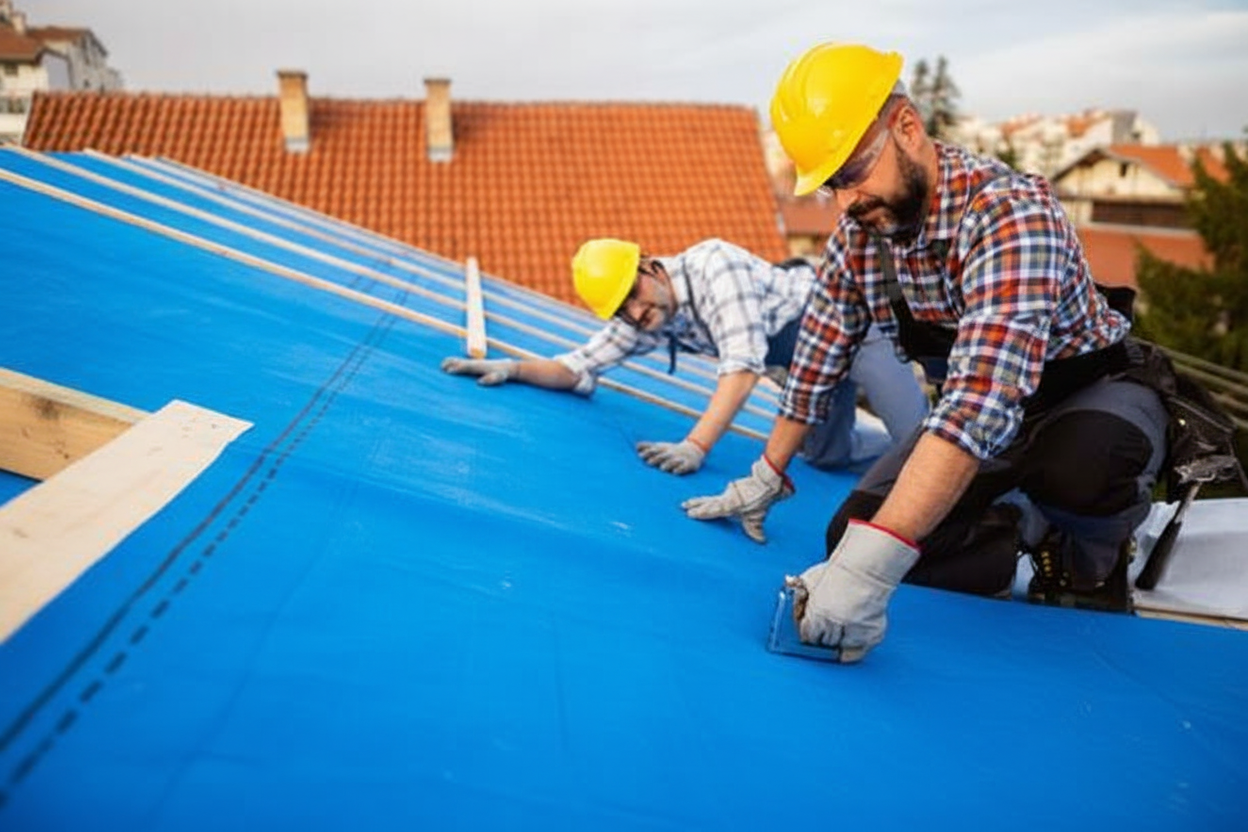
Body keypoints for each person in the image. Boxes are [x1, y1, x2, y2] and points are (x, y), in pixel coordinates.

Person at [683, 42, 1172, 662]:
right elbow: (819, 356)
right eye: (829, 185)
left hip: (1086, 396)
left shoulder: (1009, 216)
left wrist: (871, 571)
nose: (843, 202)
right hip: (994, 421)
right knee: (849, 535)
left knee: (1086, 464)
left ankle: (1091, 560)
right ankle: (1025, 526)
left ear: (906, 128)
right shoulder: (864, 235)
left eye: (852, 174)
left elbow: (978, 403)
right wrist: (768, 474)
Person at [442, 238, 928, 533]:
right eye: (621, 310)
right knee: (827, 456)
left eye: (633, 295)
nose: (634, 313)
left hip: (854, 331)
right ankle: (890, 452)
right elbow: (578, 366)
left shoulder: (714, 265)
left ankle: (1000, 509)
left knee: (925, 445)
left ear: (651, 266)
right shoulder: (648, 315)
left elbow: (742, 367)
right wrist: (514, 368)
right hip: (810, 367)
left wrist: (696, 445)